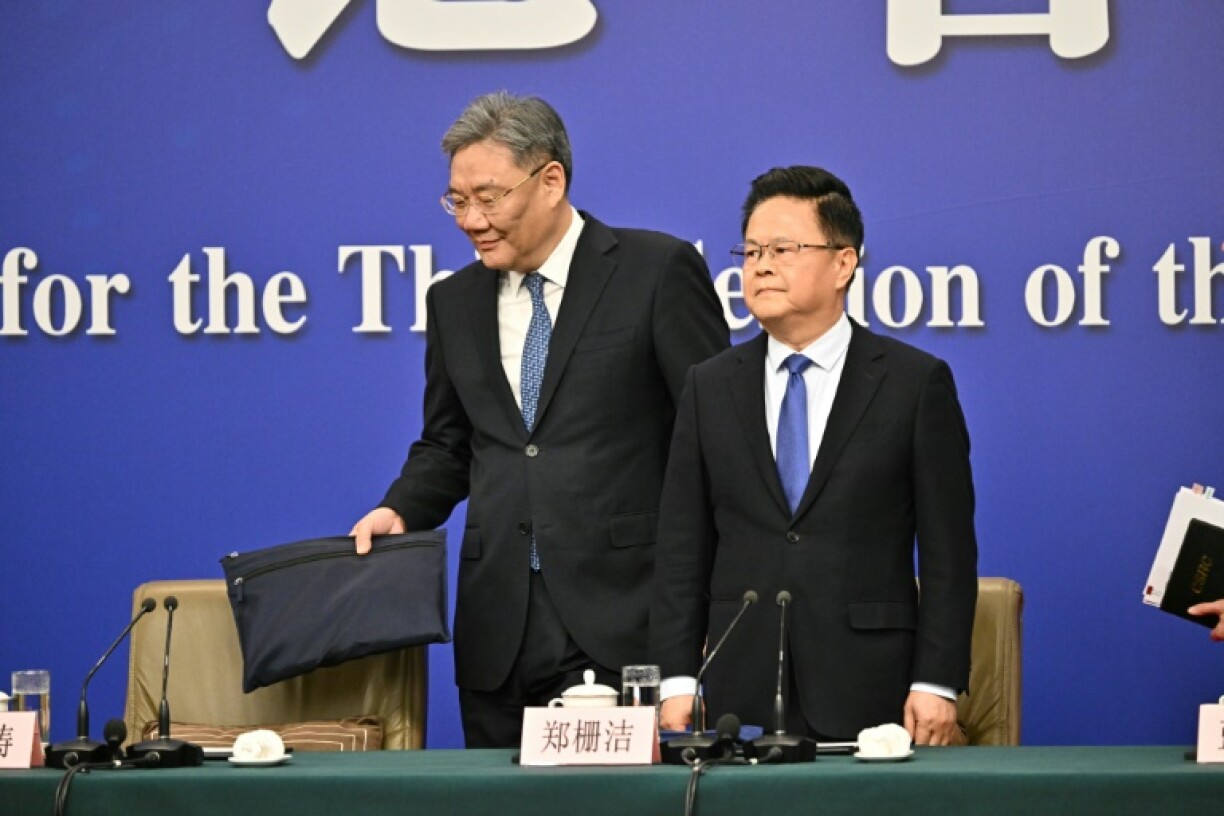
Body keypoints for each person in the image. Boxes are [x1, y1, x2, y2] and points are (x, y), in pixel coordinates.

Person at [349, 91, 729, 748]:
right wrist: (402, 509)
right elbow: (448, 444)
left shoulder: (656, 271)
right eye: (457, 200)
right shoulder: (452, 303)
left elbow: (720, 445)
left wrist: (706, 607)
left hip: (627, 618)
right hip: (499, 629)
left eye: (489, 197)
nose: (471, 219)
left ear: (551, 180)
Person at [649, 166, 977, 746]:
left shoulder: (913, 383)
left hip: (872, 687)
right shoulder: (710, 385)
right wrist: (677, 674)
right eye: (750, 250)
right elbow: (682, 546)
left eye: (782, 248)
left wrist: (938, 681)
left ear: (844, 263)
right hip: (735, 692)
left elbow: (949, 551)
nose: (761, 264)